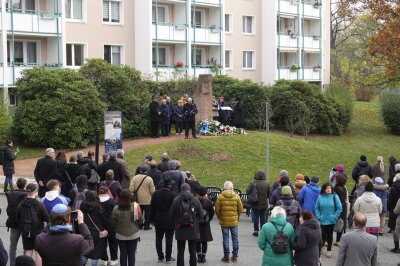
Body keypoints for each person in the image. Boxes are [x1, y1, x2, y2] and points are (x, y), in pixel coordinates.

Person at [16, 183, 49, 265]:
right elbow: (47, 218)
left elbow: (17, 218)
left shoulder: (21, 204)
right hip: (38, 231)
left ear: (26, 191)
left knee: (28, 251)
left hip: (26, 232)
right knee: (38, 252)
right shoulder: (39, 205)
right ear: (36, 191)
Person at [169, 183, 202, 266]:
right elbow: (201, 215)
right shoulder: (195, 200)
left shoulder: (176, 200)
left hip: (180, 228)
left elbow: (171, 214)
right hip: (193, 228)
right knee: (192, 251)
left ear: (181, 189)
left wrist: (176, 222)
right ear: (189, 189)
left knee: (180, 251)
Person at [112, 189, 142, 266]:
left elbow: (113, 222)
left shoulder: (116, 208)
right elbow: (140, 221)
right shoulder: (135, 207)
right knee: (132, 254)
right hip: (133, 234)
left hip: (120, 234)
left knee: (123, 254)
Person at [149, 177, 176, 263]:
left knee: (158, 238)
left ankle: (160, 256)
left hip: (158, 219)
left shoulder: (156, 194)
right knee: (169, 239)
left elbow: (152, 208)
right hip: (169, 220)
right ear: (169, 185)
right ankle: (168, 257)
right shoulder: (172, 195)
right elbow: (175, 209)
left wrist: (151, 219)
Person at [215, 181, 243, 263]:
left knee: (225, 239)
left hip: (224, 221)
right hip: (234, 221)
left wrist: (220, 217)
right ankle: (234, 256)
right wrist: (237, 216)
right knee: (235, 238)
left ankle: (226, 256)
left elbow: (217, 210)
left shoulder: (220, 197)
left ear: (224, 187)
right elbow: (240, 209)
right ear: (231, 188)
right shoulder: (236, 196)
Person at [80, 191, 110, 266]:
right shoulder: (98, 206)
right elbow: (104, 219)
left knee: (85, 248)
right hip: (97, 231)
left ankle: (82, 263)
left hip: (85, 230)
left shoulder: (82, 205)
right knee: (96, 251)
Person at [315, 182, 342, 258]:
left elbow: (339, 208)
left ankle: (329, 250)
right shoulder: (320, 197)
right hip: (323, 219)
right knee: (322, 235)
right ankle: (322, 246)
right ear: (324, 189)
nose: (328, 190)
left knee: (330, 236)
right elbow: (316, 208)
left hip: (331, 220)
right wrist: (319, 217)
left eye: (330, 188)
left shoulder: (335, 196)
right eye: (327, 188)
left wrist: (335, 217)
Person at [6, 178, 27, 266]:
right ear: (25, 185)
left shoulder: (10, 194)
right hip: (24, 223)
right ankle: (25, 263)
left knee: (12, 246)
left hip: (13, 222)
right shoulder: (26, 195)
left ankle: (12, 264)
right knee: (26, 245)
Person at [130, 164, 155, 230]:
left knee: (138, 213)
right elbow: (152, 190)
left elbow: (131, 189)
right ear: (147, 171)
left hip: (137, 199)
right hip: (147, 199)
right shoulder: (149, 179)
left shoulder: (135, 178)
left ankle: (139, 225)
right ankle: (146, 226)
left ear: (140, 170)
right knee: (147, 214)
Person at [246, 169, 270, 236]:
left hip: (254, 202)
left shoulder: (252, 182)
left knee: (255, 216)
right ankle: (262, 230)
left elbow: (247, 191)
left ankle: (256, 230)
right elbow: (269, 193)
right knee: (263, 216)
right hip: (263, 203)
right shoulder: (266, 183)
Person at [98, 186, 118, 266]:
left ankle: (104, 260)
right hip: (111, 225)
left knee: (102, 243)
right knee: (113, 243)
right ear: (107, 192)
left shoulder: (97, 202)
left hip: (100, 226)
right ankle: (114, 259)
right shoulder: (112, 202)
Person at [196, 187, 214, 263]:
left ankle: (199, 256)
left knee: (197, 241)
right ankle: (203, 257)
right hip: (205, 224)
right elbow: (212, 213)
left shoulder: (195, 201)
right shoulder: (209, 201)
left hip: (197, 223)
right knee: (204, 241)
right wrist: (208, 220)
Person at [333, 173, 348, 245]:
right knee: (341, 222)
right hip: (343, 206)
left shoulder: (336, 188)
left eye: (335, 178)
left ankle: (326, 239)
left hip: (336, 206)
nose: (334, 179)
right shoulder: (344, 187)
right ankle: (338, 240)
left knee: (331, 222)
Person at [388, 174, 400, 249]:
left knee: (396, 231)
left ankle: (396, 247)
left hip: (394, 208)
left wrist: (389, 208)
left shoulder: (393, 188)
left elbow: (396, 211)